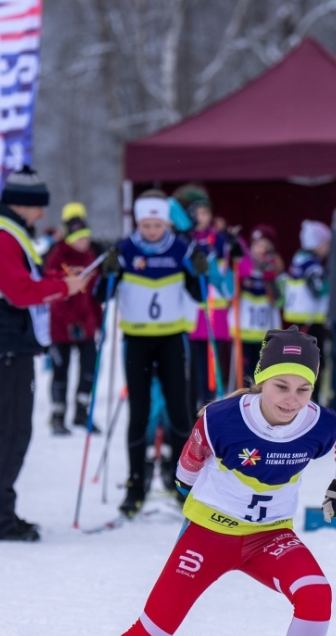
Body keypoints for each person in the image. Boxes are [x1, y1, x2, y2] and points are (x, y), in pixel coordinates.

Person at [13, 328, 336, 636]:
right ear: (260, 380)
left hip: (269, 538)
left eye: (304, 388)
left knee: (316, 595)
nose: (292, 399)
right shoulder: (221, 418)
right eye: (281, 386)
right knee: (153, 631)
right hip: (209, 536)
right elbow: (185, 472)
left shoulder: (319, 423)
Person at [0, 167, 91, 540]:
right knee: (10, 433)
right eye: (39, 207)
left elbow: (21, 286)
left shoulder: (5, 232)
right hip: (4, 345)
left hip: (8, 344)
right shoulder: (0, 236)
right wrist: (64, 288)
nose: (42, 215)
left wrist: (58, 285)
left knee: (11, 432)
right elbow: (20, 292)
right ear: (24, 204)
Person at [100, 190, 207, 518]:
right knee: (139, 413)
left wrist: (198, 271)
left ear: (165, 223)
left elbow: (199, 295)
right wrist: (109, 271)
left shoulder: (180, 247)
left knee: (179, 413)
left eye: (156, 225)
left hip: (172, 340)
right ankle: (135, 486)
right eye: (145, 225)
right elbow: (100, 295)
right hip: (137, 341)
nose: (151, 231)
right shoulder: (125, 248)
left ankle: (182, 486)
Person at [43, 202, 103, 434]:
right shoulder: (58, 256)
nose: (84, 242)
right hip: (61, 329)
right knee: (61, 370)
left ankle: (82, 411)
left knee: (89, 368)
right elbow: (54, 295)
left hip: (86, 326)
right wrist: (69, 323)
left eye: (86, 237)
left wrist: (98, 320)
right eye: (79, 238)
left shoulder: (90, 256)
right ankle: (58, 415)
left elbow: (94, 294)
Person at [174, 186, 236, 413]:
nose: (202, 218)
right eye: (197, 213)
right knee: (189, 362)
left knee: (211, 364)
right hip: (191, 309)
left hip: (213, 310)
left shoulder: (217, 239)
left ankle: (208, 405)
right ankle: (190, 406)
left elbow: (226, 277)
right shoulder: (182, 238)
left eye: (205, 213)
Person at [282, 220, 332, 378]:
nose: (328, 247)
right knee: (312, 363)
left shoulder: (298, 259)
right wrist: (332, 281)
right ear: (317, 243)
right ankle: (311, 397)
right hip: (309, 321)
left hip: (297, 319)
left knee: (300, 361)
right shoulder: (311, 265)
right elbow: (318, 289)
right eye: (326, 242)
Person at [234, 225, 284, 378]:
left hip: (266, 333)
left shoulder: (276, 269)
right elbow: (231, 292)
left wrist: (271, 281)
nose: (260, 249)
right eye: (257, 245)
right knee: (245, 373)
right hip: (245, 329)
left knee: (263, 373)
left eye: (265, 245)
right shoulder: (243, 266)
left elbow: (280, 301)